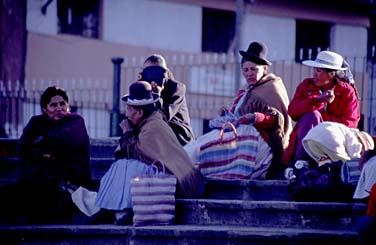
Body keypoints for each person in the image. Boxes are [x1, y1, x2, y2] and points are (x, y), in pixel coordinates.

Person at [72, 81, 204, 224]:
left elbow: (130, 152)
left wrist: (127, 132)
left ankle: (109, 209)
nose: (126, 114)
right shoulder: (148, 123)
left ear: (139, 112)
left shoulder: (153, 127)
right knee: (123, 164)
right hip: (169, 177)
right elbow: (124, 152)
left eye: (129, 109)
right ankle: (110, 209)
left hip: (179, 182)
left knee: (127, 166)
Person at [0, 86, 91, 224]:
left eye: (62, 104)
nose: (59, 108)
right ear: (44, 109)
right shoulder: (36, 123)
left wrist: (40, 143)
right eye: (53, 105)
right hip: (42, 176)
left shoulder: (75, 121)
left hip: (69, 180)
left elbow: (65, 141)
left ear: (68, 105)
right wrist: (43, 154)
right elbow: (23, 147)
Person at [218, 41, 292, 179]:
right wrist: (227, 113)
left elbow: (278, 121)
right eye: (245, 70)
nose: (249, 74)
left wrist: (255, 117)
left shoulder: (272, 88)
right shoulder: (246, 90)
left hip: (263, 144)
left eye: (254, 69)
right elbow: (237, 114)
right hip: (241, 137)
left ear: (264, 69)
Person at [282, 50, 361, 172]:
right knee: (311, 115)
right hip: (303, 143)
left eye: (319, 70)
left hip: (333, 142)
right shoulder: (305, 85)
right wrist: (317, 101)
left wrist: (321, 119)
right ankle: (302, 161)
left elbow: (350, 123)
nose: (314, 74)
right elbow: (293, 111)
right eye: (314, 69)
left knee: (314, 115)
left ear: (332, 74)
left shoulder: (347, 92)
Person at [139, 54, 194, 146]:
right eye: (148, 72)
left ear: (165, 72)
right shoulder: (145, 88)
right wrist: (140, 86)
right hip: (156, 137)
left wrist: (156, 95)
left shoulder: (176, 88)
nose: (152, 76)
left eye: (157, 72)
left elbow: (164, 117)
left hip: (179, 138)